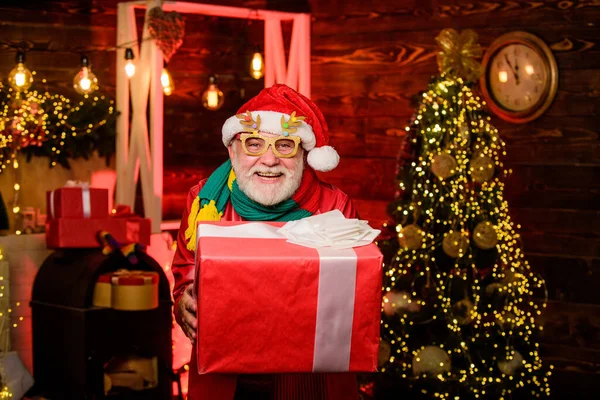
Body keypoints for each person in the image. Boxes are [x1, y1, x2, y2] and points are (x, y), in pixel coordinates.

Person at [172, 84, 359, 400]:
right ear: (233, 151)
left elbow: (354, 300)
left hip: (307, 382)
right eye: (254, 144)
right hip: (226, 380)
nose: (269, 160)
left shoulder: (335, 208)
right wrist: (183, 303)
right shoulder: (204, 203)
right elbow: (184, 276)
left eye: (285, 145)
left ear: (304, 154)